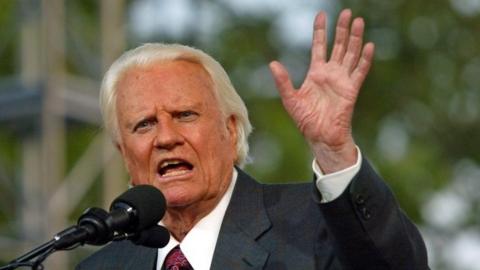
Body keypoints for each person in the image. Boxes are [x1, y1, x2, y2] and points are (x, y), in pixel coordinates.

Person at [76, 9, 429, 270]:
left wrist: (334, 153)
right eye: (144, 125)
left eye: (185, 115)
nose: (166, 137)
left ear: (231, 131)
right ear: (124, 154)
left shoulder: (315, 226)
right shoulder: (101, 267)